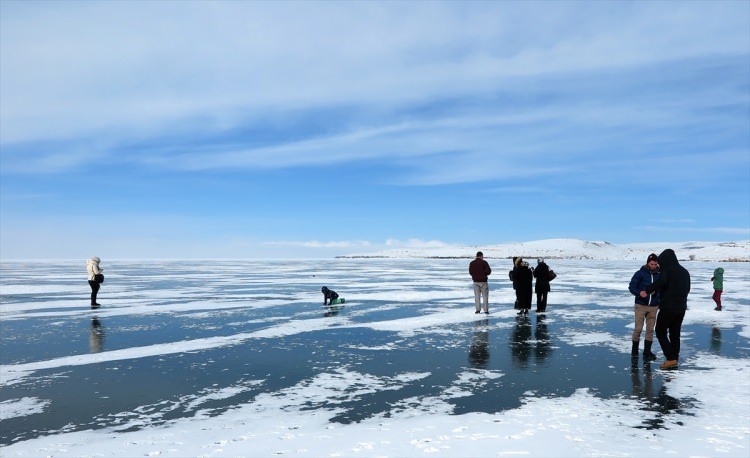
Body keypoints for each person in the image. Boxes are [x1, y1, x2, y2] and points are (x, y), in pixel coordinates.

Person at [646, 249, 691, 370]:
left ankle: (670, 358)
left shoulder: (668, 270)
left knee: (660, 331)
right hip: (681, 308)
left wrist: (649, 289)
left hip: (668, 308)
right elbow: (687, 288)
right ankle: (674, 358)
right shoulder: (684, 272)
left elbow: (662, 282)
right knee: (675, 334)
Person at [628, 253, 661, 362]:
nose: (653, 266)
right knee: (638, 329)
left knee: (650, 330)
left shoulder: (659, 275)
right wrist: (639, 293)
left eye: (655, 264)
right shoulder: (640, 273)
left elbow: (662, 289)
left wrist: (658, 296)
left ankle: (647, 352)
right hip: (640, 305)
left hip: (653, 307)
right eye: (651, 264)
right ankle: (634, 351)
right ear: (647, 263)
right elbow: (631, 287)